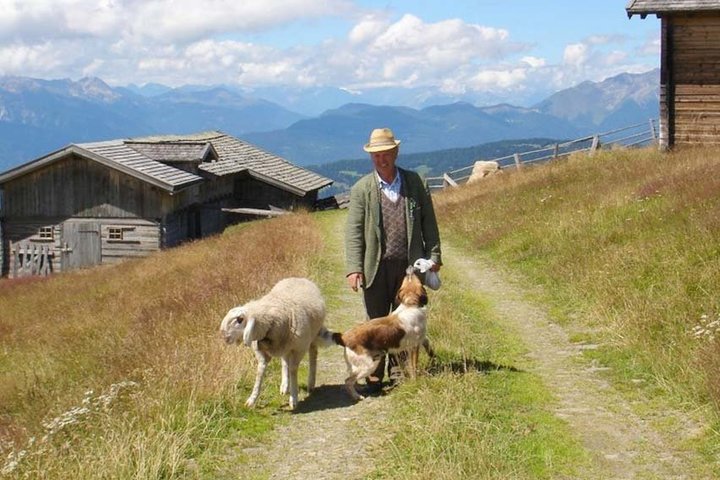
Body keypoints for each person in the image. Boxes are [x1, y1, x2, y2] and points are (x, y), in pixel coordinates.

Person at [345, 127, 442, 392]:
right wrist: (354, 268)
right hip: (374, 267)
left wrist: (434, 256)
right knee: (376, 320)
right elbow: (353, 231)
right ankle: (374, 376)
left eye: (385, 154)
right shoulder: (362, 189)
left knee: (405, 324)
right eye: (376, 156)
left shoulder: (414, 183)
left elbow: (429, 223)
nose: (381, 160)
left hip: (408, 268)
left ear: (396, 152)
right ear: (371, 157)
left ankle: (399, 372)